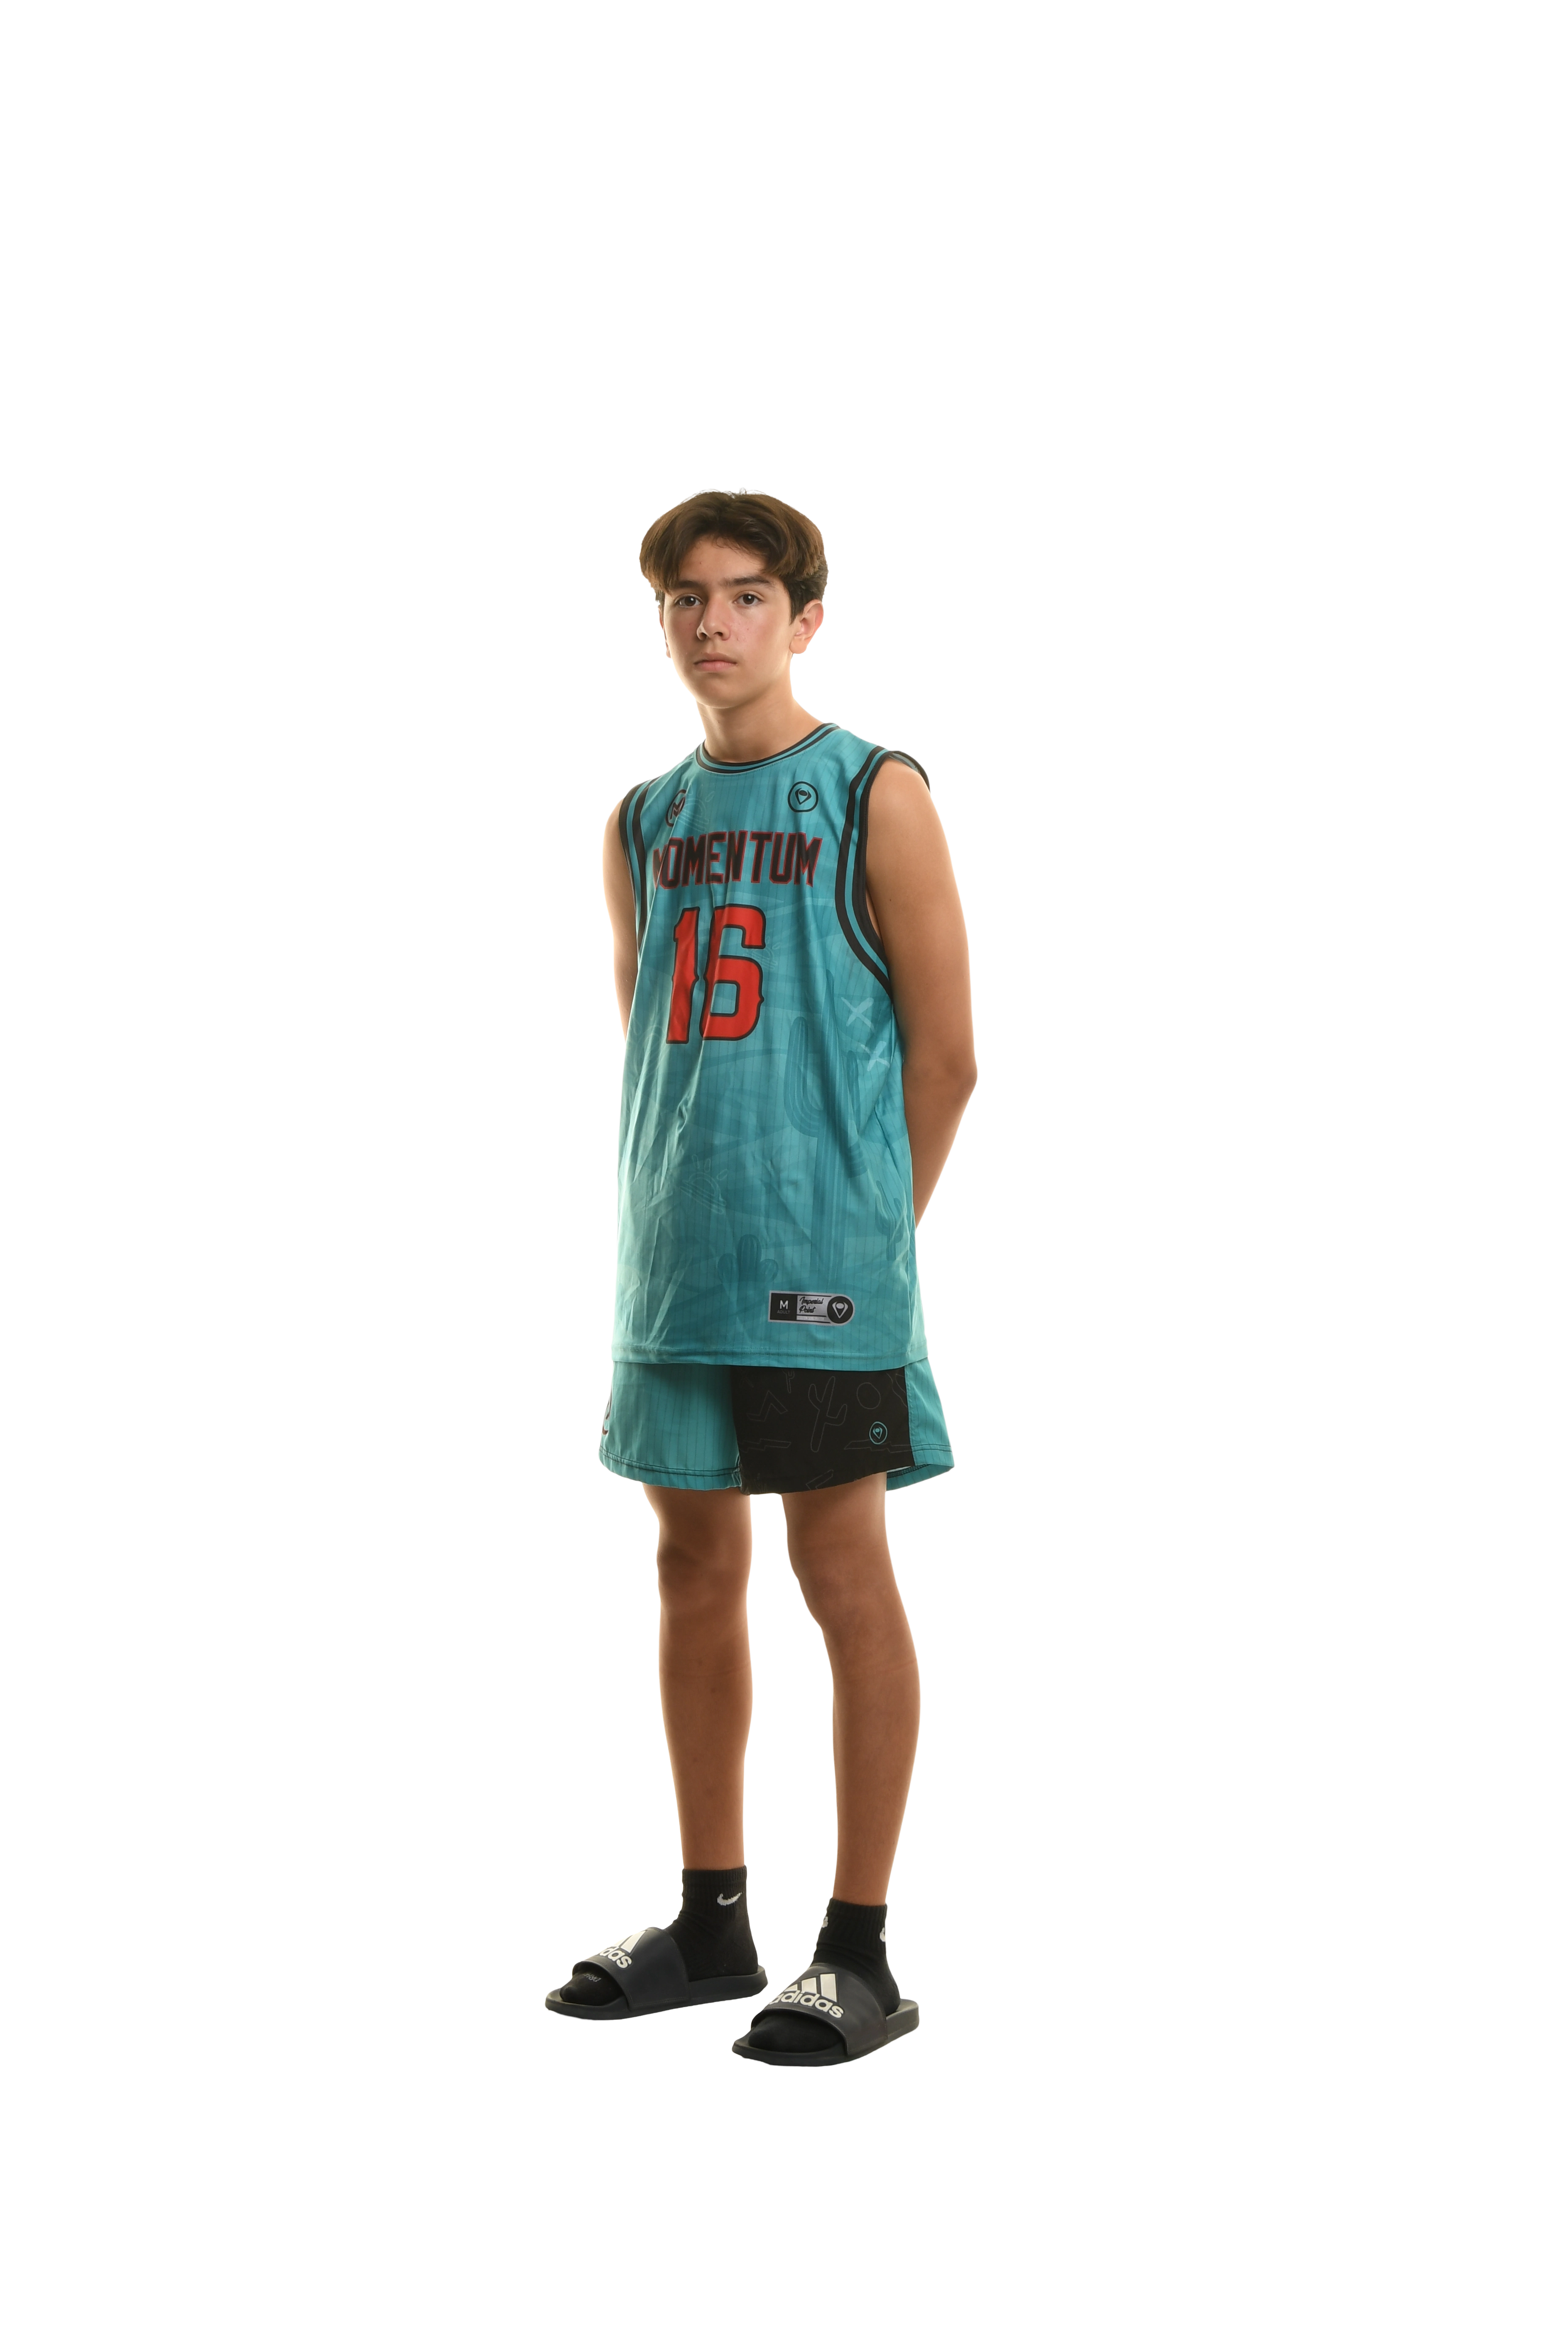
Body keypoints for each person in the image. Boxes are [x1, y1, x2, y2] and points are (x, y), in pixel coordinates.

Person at [544, 487, 977, 2065]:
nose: (713, 622)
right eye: (685, 598)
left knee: (840, 1570)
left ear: (805, 619)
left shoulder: (875, 790)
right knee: (690, 1567)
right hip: (677, 1256)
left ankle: (858, 1951)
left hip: (824, 1265)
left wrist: (866, 1237)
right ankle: (713, 1921)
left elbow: (948, 1055)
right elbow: (653, 1042)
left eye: (745, 595)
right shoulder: (639, 821)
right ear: (659, 619)